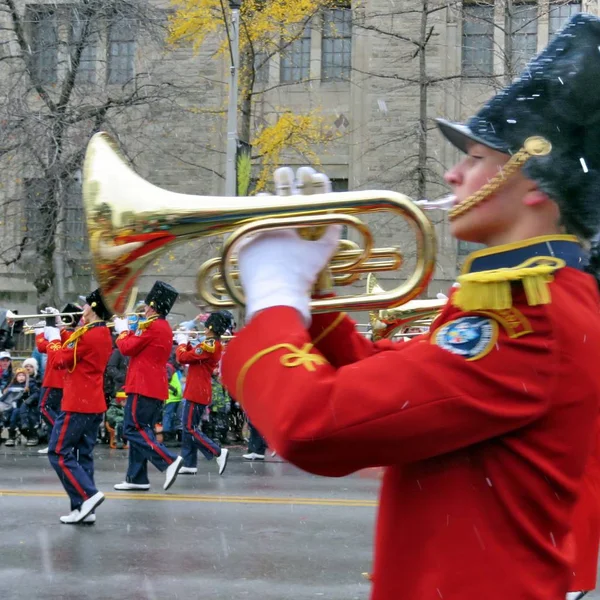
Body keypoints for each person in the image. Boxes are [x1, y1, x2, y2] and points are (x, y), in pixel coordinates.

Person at [221, 14, 600, 600]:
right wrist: (313, 294)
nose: (453, 173)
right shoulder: (525, 299)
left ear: (535, 183)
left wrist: (274, 297)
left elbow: (312, 427)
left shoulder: (528, 315)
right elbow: (384, 385)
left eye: (475, 157)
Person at [45, 290, 113, 524]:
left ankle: (88, 495)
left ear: (93, 308)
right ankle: (84, 508)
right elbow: (76, 346)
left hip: (78, 403)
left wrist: (53, 337)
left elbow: (57, 361)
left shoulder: (89, 334)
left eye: (86, 305)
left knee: (58, 452)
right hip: (92, 402)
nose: (82, 308)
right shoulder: (99, 332)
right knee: (82, 455)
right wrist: (58, 327)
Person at [113, 281, 184, 492]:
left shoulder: (153, 325)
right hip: (152, 385)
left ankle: (168, 459)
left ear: (152, 306)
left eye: (146, 306)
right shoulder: (159, 326)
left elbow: (126, 348)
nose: (143, 309)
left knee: (132, 429)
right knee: (142, 432)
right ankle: (137, 478)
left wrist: (123, 331)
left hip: (143, 385)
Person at [174, 311, 230, 476]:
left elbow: (182, 358)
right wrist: (188, 343)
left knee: (190, 428)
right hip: (198, 389)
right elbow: (194, 357)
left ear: (211, 327)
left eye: (206, 326)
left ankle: (217, 451)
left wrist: (182, 343)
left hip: (196, 390)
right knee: (188, 428)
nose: (204, 329)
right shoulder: (210, 344)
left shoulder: (209, 345)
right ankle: (189, 462)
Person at [35, 304, 81, 454]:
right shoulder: (68, 333)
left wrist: (39, 333)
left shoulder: (66, 334)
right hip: (59, 379)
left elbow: (43, 347)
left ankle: (61, 437)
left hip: (55, 378)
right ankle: (56, 441)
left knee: (44, 408)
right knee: (55, 411)